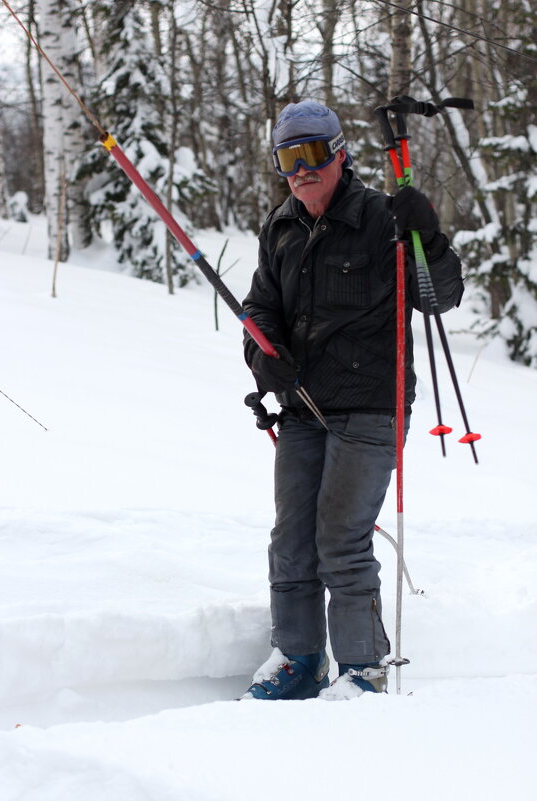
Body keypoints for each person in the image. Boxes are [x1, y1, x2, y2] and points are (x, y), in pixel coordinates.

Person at [241, 100, 463, 700]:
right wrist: (265, 356)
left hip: (371, 405)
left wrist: (429, 238)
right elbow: (260, 309)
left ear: (339, 153)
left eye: (312, 154)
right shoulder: (281, 226)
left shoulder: (381, 218)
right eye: (289, 158)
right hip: (302, 406)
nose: (301, 170)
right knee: (291, 539)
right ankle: (298, 659)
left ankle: (363, 671)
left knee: (340, 537)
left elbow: (439, 298)